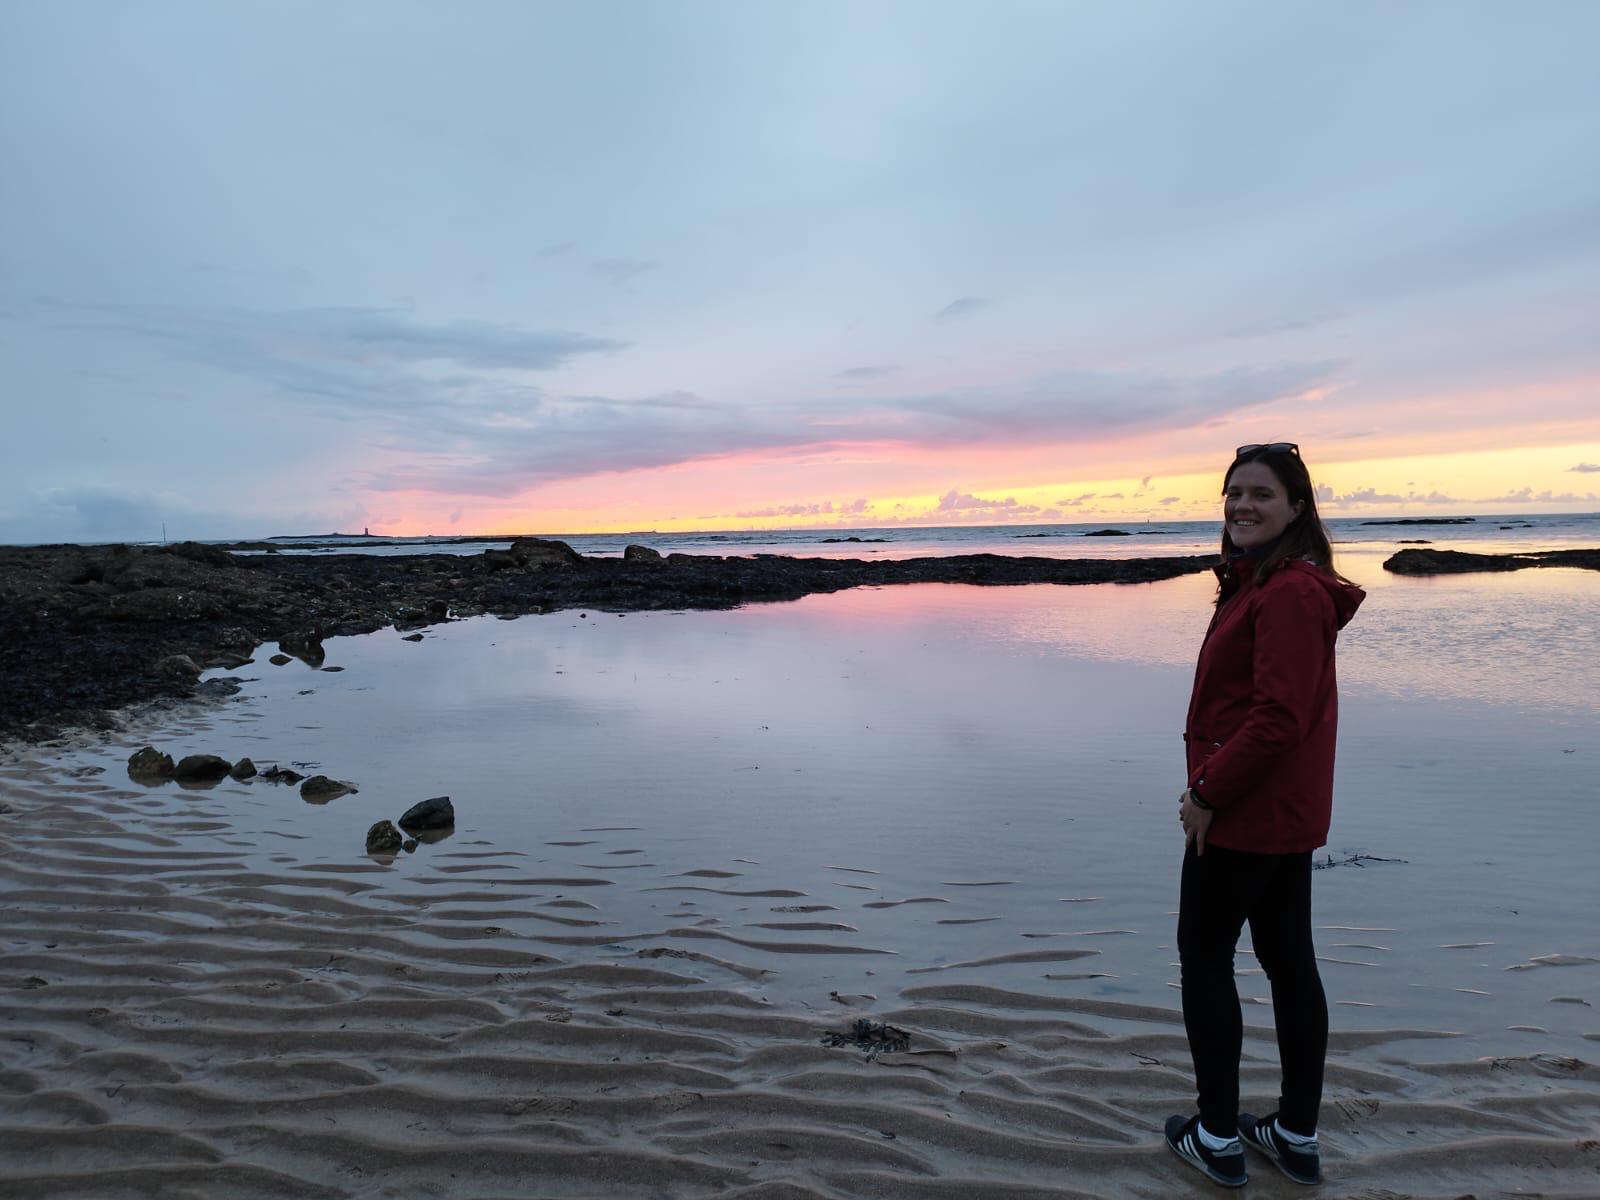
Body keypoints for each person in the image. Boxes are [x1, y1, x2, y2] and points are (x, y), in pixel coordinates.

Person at [1164, 442, 1365, 1188]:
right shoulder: (1265, 584)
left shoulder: (1287, 592)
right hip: (1285, 810)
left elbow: (1278, 718)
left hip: (1245, 812)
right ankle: (1293, 1133)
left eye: (1261, 494)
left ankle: (1216, 1136)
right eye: (1233, 494)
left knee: (1207, 959)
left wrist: (1207, 792)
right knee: (1288, 965)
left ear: (1298, 508)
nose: (1242, 506)